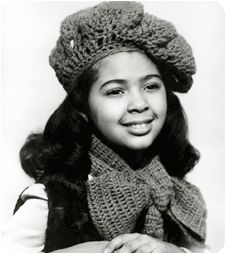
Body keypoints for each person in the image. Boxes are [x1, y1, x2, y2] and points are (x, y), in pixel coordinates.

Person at [2, 1, 209, 253]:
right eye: (115, 91)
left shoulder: (176, 196)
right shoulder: (54, 200)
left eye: (151, 86)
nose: (139, 103)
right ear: (83, 108)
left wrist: (175, 252)